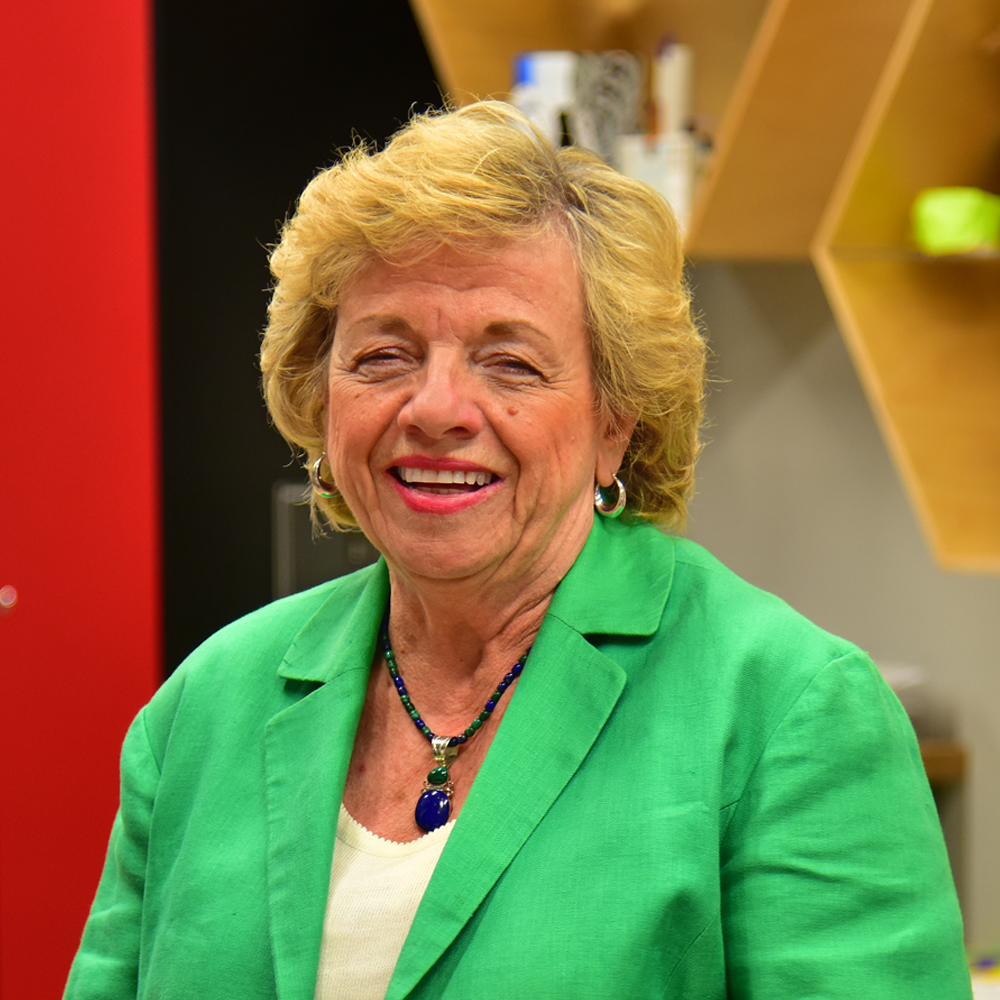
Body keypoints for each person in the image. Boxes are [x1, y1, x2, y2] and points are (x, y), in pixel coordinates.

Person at [64, 101, 972, 999]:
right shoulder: (204, 709)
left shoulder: (790, 712)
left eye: (511, 363)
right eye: (384, 356)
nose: (436, 409)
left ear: (616, 421)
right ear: (320, 395)